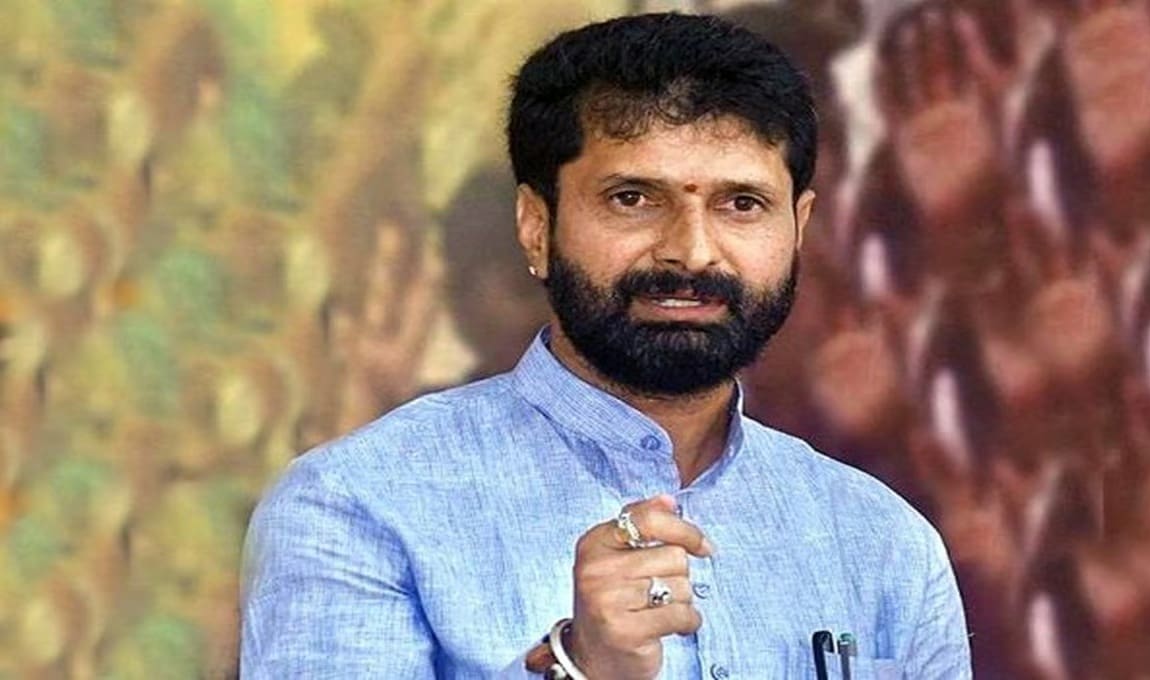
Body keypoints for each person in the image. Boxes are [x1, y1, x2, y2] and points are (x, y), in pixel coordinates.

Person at [239, 12, 971, 679]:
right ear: (536, 227)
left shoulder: (881, 544)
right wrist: (580, 667)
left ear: (798, 228)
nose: (692, 252)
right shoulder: (358, 507)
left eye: (742, 204)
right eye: (633, 199)